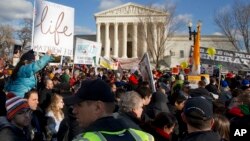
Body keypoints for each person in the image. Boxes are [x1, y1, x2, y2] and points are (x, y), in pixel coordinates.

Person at [64, 79, 154, 141]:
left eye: (79, 105)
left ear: (98, 107)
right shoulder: (144, 137)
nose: (74, 111)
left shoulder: (85, 139)